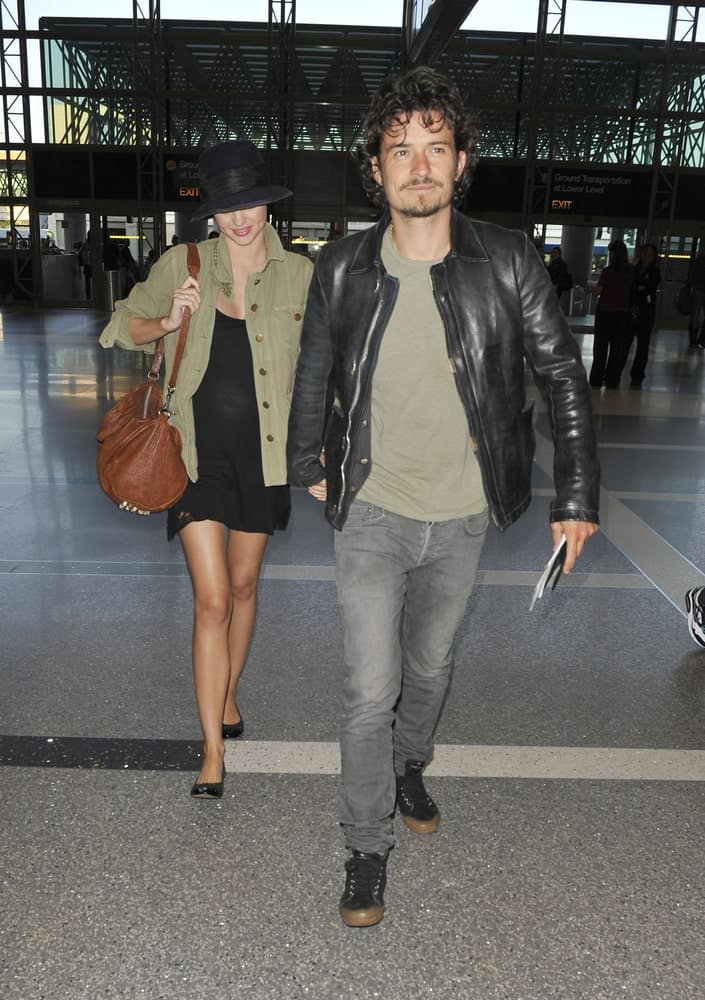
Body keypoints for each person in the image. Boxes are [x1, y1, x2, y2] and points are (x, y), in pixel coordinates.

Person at [287, 65, 600, 928]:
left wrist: (574, 492)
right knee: (367, 687)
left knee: (428, 669)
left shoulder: (505, 261)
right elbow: (315, 367)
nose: (417, 165)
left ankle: (410, 761)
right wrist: (303, 459)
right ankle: (364, 845)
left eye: (435, 148)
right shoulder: (344, 267)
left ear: (461, 163)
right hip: (373, 512)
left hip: (462, 513)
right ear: (375, 169)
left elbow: (562, 378)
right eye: (400, 150)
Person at [99, 140, 312, 798]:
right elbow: (118, 328)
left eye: (250, 203)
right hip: (192, 455)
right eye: (227, 207)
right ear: (211, 212)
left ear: (267, 204)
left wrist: (325, 447)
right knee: (212, 598)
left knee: (245, 587)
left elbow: (323, 371)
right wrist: (169, 317)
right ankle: (212, 751)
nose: (241, 218)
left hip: (265, 455)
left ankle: (228, 694)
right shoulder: (182, 263)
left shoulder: (301, 275)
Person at [589, 239, 634, 389]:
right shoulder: (631, 272)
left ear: (614, 254)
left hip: (605, 313)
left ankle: (596, 379)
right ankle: (612, 379)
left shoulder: (608, 271)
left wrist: (591, 290)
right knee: (617, 350)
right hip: (622, 315)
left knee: (600, 349)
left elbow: (598, 291)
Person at [626, 243, 661, 388]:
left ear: (654, 257)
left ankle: (637, 375)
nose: (647, 257)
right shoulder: (634, 269)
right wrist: (640, 287)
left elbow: (649, 287)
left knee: (642, 345)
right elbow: (632, 286)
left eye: (650, 255)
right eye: (644, 254)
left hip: (646, 313)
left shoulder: (655, 272)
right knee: (624, 343)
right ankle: (615, 371)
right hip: (632, 310)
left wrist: (640, 288)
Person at [688, 250, 705, 347]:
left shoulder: (699, 260)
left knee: (696, 314)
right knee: (696, 314)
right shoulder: (699, 260)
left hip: (698, 288)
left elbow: (692, 275)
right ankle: (701, 339)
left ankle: (693, 340)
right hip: (699, 287)